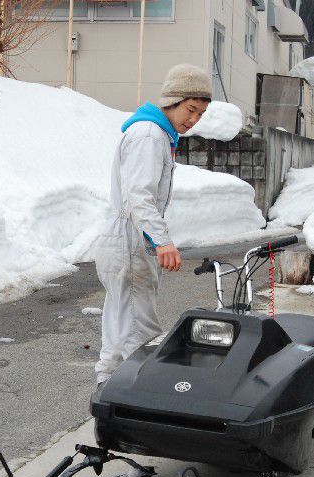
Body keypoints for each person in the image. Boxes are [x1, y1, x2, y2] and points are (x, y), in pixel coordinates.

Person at [94, 64, 212, 386]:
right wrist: (162, 241)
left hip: (128, 239)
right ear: (172, 100)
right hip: (130, 240)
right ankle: (138, 397)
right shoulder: (149, 135)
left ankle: (109, 391)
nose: (193, 120)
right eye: (190, 109)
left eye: (200, 114)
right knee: (138, 330)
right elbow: (139, 198)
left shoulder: (157, 134)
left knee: (120, 325)